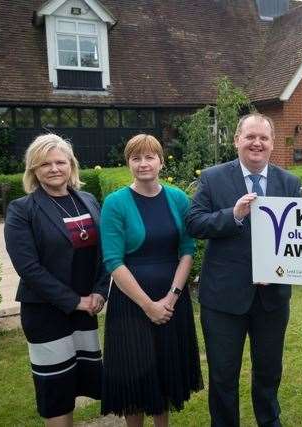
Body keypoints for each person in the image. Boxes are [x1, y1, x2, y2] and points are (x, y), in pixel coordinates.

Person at [186, 113, 300, 427]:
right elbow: (194, 223)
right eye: (250, 136)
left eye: (263, 138)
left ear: (272, 143)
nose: (257, 143)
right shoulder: (213, 177)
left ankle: (269, 421)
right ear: (237, 140)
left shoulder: (288, 182)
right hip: (223, 298)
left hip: (272, 298)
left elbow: (297, 237)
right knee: (223, 374)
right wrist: (232, 216)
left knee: (268, 371)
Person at [4, 134, 109, 426]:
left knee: (82, 381)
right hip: (47, 313)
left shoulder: (87, 200)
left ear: (71, 165)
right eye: (44, 163)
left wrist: (101, 291)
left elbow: (105, 252)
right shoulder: (22, 209)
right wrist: (74, 301)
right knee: (57, 394)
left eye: (60, 161)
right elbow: (28, 267)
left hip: (86, 312)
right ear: (33, 169)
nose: (54, 168)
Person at [100, 134, 203, 426]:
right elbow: (113, 261)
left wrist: (171, 297)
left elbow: (187, 250)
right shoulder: (115, 203)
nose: (143, 164)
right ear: (128, 163)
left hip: (172, 302)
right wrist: (148, 306)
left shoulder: (178, 198)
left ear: (160, 160)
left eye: (149, 157)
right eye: (136, 158)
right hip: (132, 304)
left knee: (165, 374)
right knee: (134, 378)